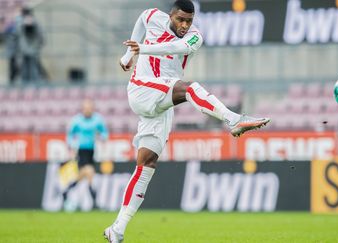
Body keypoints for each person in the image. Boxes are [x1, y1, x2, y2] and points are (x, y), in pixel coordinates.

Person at [103, 1, 269, 242]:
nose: (184, 25)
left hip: (161, 100)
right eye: (180, 19)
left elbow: (175, 46)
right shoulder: (153, 16)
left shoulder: (194, 38)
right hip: (141, 89)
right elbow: (141, 19)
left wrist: (141, 49)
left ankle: (117, 229)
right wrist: (129, 54)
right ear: (171, 15)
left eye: (189, 21)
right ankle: (233, 119)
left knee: (146, 164)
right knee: (190, 89)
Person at [63, 99, 109, 210]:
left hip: (91, 150)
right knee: (90, 172)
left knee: (84, 175)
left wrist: (102, 137)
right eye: (85, 108)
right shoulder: (77, 120)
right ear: (82, 109)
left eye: (89, 108)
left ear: (92, 109)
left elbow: (104, 131)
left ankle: (67, 189)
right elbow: (70, 134)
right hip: (81, 150)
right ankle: (95, 201)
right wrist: (71, 144)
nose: (87, 110)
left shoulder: (97, 119)